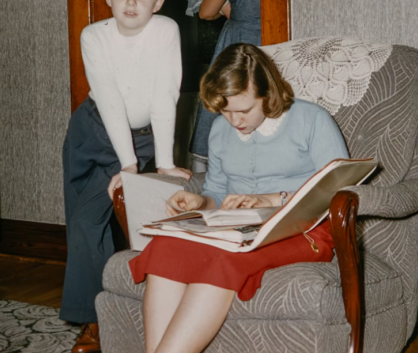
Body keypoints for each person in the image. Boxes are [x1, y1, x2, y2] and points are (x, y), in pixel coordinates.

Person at [129, 43, 350, 353]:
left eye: (244, 110)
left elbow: (340, 188)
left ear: (268, 94)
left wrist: (272, 199)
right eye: (225, 110)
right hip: (238, 226)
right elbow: (217, 193)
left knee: (223, 256)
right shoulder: (221, 130)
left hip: (304, 228)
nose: (235, 121)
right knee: (165, 246)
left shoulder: (311, 119)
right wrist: (201, 202)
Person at [60, 0, 191, 353]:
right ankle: (97, 315)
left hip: (144, 135)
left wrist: (163, 163)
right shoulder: (94, 36)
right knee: (83, 222)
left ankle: (114, 315)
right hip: (93, 129)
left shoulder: (165, 30)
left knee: (111, 219)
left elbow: (165, 95)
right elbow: (110, 100)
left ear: (158, 2)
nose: (131, 2)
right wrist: (128, 164)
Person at [189, 0, 261, 172]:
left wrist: (234, 12)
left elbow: (206, 12)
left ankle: (211, 169)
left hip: (242, 43)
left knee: (226, 102)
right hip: (283, 43)